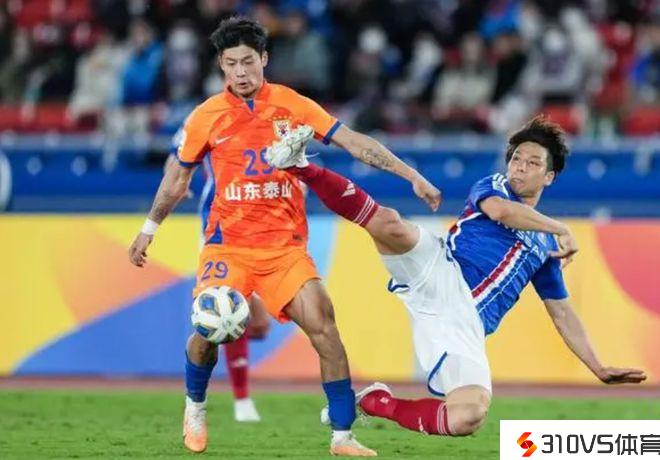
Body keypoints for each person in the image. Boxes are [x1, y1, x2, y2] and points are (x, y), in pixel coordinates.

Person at [128, 16, 440, 456]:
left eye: (248, 62)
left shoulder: (293, 105)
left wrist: (412, 176)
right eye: (231, 63)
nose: (241, 72)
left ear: (264, 59)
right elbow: (177, 179)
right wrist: (149, 228)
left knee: (325, 327)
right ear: (221, 65)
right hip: (228, 247)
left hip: (284, 250)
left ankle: (342, 436)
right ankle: (195, 406)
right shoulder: (205, 117)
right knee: (208, 330)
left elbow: (354, 142)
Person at [264, 116, 647, 438]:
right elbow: (500, 213)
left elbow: (562, 313)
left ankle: (376, 402)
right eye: (516, 158)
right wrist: (560, 227)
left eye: (532, 163)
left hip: (465, 324)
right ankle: (301, 166)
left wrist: (598, 367)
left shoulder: (546, 248)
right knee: (389, 223)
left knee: (467, 416)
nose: (519, 166)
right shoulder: (494, 187)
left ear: (549, 177)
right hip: (442, 270)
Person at [164, 130, 272, 424]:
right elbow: (176, 158)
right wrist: (177, 182)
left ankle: (236, 393)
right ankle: (240, 398)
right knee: (229, 307)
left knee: (259, 325)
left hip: (267, 225)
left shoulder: (273, 116)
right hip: (221, 228)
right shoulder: (204, 119)